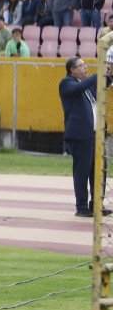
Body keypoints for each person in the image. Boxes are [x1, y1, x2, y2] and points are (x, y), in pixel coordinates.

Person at [60, 56, 105, 217]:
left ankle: (96, 204)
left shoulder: (85, 86)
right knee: (82, 171)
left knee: (96, 171)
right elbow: (79, 88)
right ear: (72, 70)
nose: (86, 68)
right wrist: (97, 74)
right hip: (80, 135)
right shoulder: (67, 83)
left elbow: (100, 87)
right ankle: (81, 206)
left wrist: (108, 75)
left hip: (93, 135)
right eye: (82, 65)